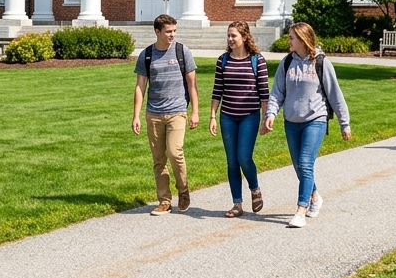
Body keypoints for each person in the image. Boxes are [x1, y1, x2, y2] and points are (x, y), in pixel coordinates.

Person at [264, 22, 350, 228]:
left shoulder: (321, 63)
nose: (289, 41)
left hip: (315, 120)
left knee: (304, 163)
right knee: (299, 166)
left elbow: (335, 95)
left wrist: (344, 123)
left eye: (292, 37)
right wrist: (271, 114)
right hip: (291, 121)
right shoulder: (287, 63)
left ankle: (300, 211)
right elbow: (277, 92)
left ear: (303, 40)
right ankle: (315, 196)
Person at [132, 14, 199, 215]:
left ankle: (183, 190)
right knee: (159, 159)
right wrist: (136, 115)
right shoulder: (147, 55)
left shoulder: (181, 51)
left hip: (177, 111)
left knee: (174, 152)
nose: (172, 35)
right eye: (168, 31)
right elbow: (140, 86)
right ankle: (164, 200)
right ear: (157, 32)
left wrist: (195, 111)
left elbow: (192, 84)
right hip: (154, 113)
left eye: (174, 31)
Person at [209, 21, 270, 217]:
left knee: (244, 157)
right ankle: (237, 204)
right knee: (232, 161)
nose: (230, 39)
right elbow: (217, 89)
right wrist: (212, 116)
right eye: (228, 36)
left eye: (233, 35)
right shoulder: (223, 60)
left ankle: (255, 189)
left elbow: (264, 92)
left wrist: (265, 118)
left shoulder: (257, 60)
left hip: (249, 116)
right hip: (227, 116)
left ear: (244, 37)